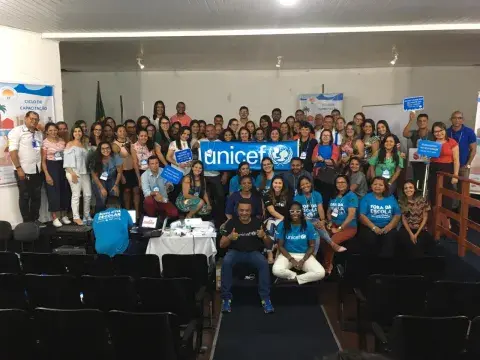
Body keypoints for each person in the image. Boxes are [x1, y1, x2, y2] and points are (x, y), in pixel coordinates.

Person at [220, 199, 274, 313]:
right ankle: (226, 299)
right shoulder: (231, 223)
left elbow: (269, 244)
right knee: (226, 261)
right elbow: (221, 244)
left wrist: (264, 236)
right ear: (237, 211)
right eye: (241, 210)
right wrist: (229, 237)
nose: (244, 213)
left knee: (263, 263)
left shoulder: (258, 222)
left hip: (253, 253)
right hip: (235, 252)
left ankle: (265, 299)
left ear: (251, 211)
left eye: (247, 210)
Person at [273, 202, 326, 284]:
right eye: (292, 211)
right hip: (287, 254)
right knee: (276, 270)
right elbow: (280, 246)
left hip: (304, 255)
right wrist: (291, 260)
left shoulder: (308, 225)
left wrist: (303, 260)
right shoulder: (283, 225)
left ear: (301, 212)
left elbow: (312, 246)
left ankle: (293, 279)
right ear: (288, 212)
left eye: (298, 211)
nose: (295, 214)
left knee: (320, 273)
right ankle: (297, 277)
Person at [8, 111, 44, 225]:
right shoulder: (17, 131)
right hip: (23, 170)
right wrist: (19, 168)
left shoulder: (39, 134)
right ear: (26, 118)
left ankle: (35, 219)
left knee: (36, 196)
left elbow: (39, 151)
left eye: (36, 119)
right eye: (32, 119)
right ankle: (27, 222)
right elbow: (12, 151)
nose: (34, 121)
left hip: (37, 170)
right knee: (24, 196)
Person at [294, 176, 344, 255]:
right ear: (300, 187)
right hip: (303, 221)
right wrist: (312, 223)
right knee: (315, 229)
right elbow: (299, 214)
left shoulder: (317, 194)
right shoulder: (297, 198)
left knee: (316, 232)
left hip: (315, 220)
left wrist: (323, 220)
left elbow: (320, 209)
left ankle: (313, 256)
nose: (305, 186)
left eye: (307, 183)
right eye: (302, 184)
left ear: (310, 183)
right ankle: (332, 244)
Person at [323, 175, 358, 274]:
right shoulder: (334, 196)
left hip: (348, 227)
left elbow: (351, 215)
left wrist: (339, 228)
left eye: (343, 182)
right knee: (320, 237)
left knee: (332, 241)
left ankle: (327, 266)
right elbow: (329, 212)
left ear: (347, 184)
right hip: (333, 224)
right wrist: (330, 222)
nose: (340, 184)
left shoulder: (351, 196)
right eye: (338, 182)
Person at [359, 177, 401, 257]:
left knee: (390, 241)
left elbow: (397, 215)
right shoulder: (366, 198)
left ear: (385, 187)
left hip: (388, 227)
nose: (377, 186)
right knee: (370, 240)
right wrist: (374, 228)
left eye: (380, 185)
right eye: (375, 184)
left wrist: (389, 227)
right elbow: (362, 216)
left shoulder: (391, 198)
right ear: (371, 186)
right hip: (370, 227)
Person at [428, 122, 459, 228]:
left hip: (447, 171)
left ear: (445, 130)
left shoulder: (452, 142)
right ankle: (436, 222)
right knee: (433, 196)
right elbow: (425, 158)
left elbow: (456, 160)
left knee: (446, 198)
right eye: (435, 131)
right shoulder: (431, 143)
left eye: (440, 130)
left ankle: (447, 223)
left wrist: (455, 175)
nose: (438, 133)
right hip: (433, 171)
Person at [42, 122, 71, 227]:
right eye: (50, 130)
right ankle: (55, 217)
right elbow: (43, 161)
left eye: (55, 130)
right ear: (46, 132)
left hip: (62, 167)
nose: (53, 132)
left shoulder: (62, 141)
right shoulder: (44, 143)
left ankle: (64, 215)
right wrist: (47, 174)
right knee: (53, 192)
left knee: (64, 191)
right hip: (51, 167)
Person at [64, 125, 92, 226]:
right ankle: (76, 217)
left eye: (79, 131)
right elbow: (66, 162)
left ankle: (86, 215)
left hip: (85, 172)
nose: (77, 133)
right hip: (73, 172)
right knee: (76, 195)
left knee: (88, 194)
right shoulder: (69, 144)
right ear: (72, 133)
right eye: (75, 131)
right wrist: (72, 173)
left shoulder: (84, 144)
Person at [397, 180, 433, 257]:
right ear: (403, 190)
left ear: (414, 189)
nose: (408, 190)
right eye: (405, 188)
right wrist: (411, 234)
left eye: (410, 187)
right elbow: (403, 219)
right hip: (407, 228)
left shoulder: (422, 200)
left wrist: (416, 234)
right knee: (405, 244)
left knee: (422, 244)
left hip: (421, 228)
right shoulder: (401, 201)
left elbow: (425, 217)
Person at [200, 125, 226, 225]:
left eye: (212, 130)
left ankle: (219, 221)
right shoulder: (201, 141)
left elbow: (226, 160)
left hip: (216, 175)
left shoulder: (221, 144)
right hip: (203, 175)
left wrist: (225, 174)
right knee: (205, 198)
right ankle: (206, 220)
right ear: (205, 132)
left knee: (220, 197)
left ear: (216, 131)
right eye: (207, 131)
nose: (210, 132)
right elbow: (193, 147)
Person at [403, 112, 434, 190]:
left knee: (428, 183)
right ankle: (418, 198)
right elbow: (405, 134)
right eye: (420, 121)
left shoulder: (432, 134)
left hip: (429, 163)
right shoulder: (415, 133)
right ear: (417, 122)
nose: (422, 122)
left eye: (424, 121)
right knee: (417, 183)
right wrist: (411, 120)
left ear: (427, 122)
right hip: (416, 162)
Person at [114, 125, 140, 215]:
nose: (123, 132)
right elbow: (116, 162)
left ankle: (137, 213)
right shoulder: (115, 145)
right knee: (127, 191)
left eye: (124, 130)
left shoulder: (129, 141)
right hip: (123, 172)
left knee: (136, 190)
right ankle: (127, 213)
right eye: (120, 131)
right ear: (116, 133)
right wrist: (121, 176)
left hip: (133, 169)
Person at [91, 141, 123, 213]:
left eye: (107, 148)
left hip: (111, 178)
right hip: (99, 180)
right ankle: (100, 216)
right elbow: (94, 176)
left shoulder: (116, 156)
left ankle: (114, 216)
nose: (106, 150)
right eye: (103, 149)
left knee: (115, 193)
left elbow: (119, 172)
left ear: (110, 149)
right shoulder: (95, 158)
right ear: (100, 150)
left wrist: (116, 185)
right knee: (102, 196)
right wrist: (101, 188)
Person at [447, 110, 477, 189]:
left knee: (463, 190)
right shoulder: (446, 132)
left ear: (462, 120)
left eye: (459, 118)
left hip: (463, 166)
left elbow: (473, 150)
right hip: (449, 165)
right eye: (455, 118)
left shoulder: (469, 132)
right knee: (448, 188)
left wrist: (468, 164)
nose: (457, 120)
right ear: (451, 119)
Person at [312, 129, 340, 209]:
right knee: (318, 195)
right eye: (324, 135)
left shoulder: (334, 147)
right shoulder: (317, 146)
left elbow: (332, 161)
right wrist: (317, 159)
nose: (325, 137)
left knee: (327, 196)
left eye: (328, 135)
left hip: (328, 175)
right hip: (317, 175)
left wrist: (322, 159)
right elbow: (313, 159)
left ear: (331, 137)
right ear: (321, 137)